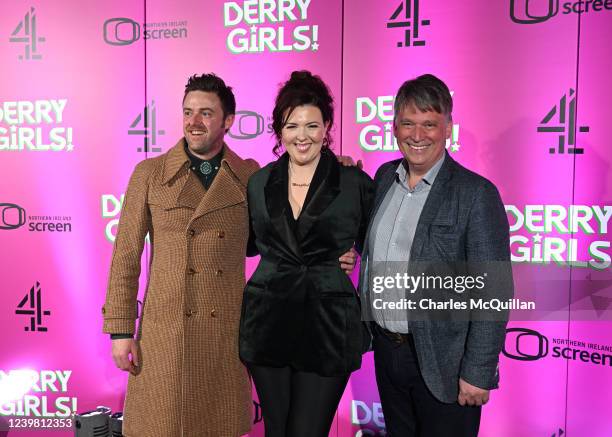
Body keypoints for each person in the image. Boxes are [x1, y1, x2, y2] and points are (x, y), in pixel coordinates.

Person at [102, 73, 358, 437]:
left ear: (228, 121)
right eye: (188, 112)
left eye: (206, 113)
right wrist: (120, 329)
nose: (194, 122)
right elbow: (126, 255)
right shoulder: (150, 174)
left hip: (224, 336)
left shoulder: (249, 176)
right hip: (165, 335)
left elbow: (277, 240)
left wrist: (334, 172)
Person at [359, 74, 513, 437]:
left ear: (448, 128)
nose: (417, 135)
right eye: (408, 123)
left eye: (429, 124)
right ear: (395, 127)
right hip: (387, 352)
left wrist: (477, 371)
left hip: (445, 362)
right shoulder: (383, 178)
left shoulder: (475, 194)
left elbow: (494, 293)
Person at [239, 70, 374, 437]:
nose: (302, 136)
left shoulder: (354, 182)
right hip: (268, 324)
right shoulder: (259, 182)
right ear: (279, 130)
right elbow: (250, 244)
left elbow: (374, 246)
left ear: (327, 125)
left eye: (312, 125)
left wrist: (353, 257)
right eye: (292, 125)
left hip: (327, 326)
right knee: (277, 431)